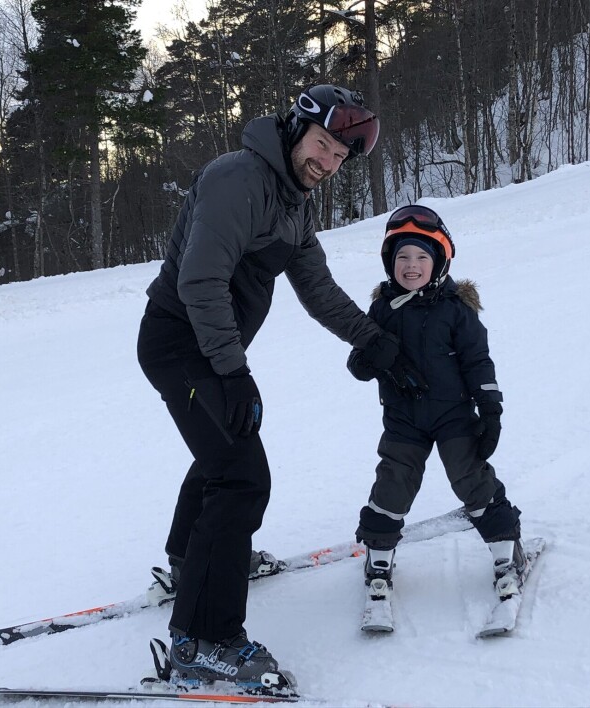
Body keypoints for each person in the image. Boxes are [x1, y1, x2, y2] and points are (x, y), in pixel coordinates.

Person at [137, 85, 417, 690]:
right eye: (322, 145)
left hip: (209, 350)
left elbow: (316, 287)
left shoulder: (292, 203)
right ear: (294, 129)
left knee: (223, 455)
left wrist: (371, 340)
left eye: (340, 156)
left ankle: (191, 565)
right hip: (182, 342)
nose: (328, 162)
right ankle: (203, 640)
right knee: (241, 477)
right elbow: (200, 280)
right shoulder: (239, 178)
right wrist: (232, 371)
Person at [347, 204, 525, 602]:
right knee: (393, 483)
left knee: (471, 478)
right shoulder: (382, 309)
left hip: (453, 416)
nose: (411, 266)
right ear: (389, 262)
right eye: (402, 257)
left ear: (439, 261)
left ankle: (506, 548)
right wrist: (373, 358)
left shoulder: (456, 309)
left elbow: (478, 361)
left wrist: (491, 409)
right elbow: (358, 364)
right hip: (402, 419)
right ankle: (379, 558)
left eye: (421, 257)